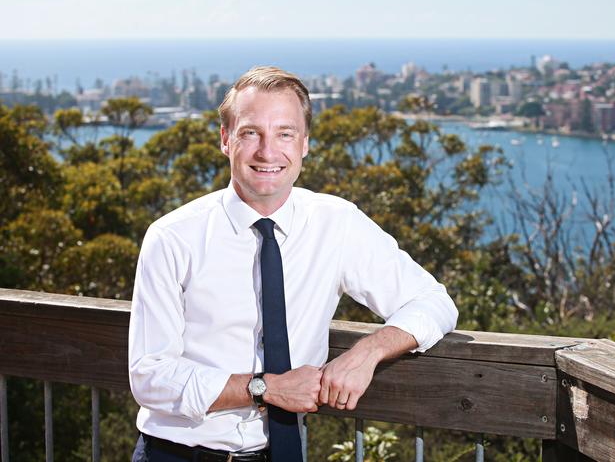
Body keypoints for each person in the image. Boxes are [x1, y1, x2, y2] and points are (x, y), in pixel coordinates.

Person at [129, 66, 458, 461]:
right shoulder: (172, 237)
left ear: (304, 144)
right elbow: (149, 376)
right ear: (225, 139)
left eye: (284, 133)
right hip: (178, 454)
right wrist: (263, 388)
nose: (268, 152)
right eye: (251, 133)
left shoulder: (337, 223)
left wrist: (367, 352)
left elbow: (434, 302)